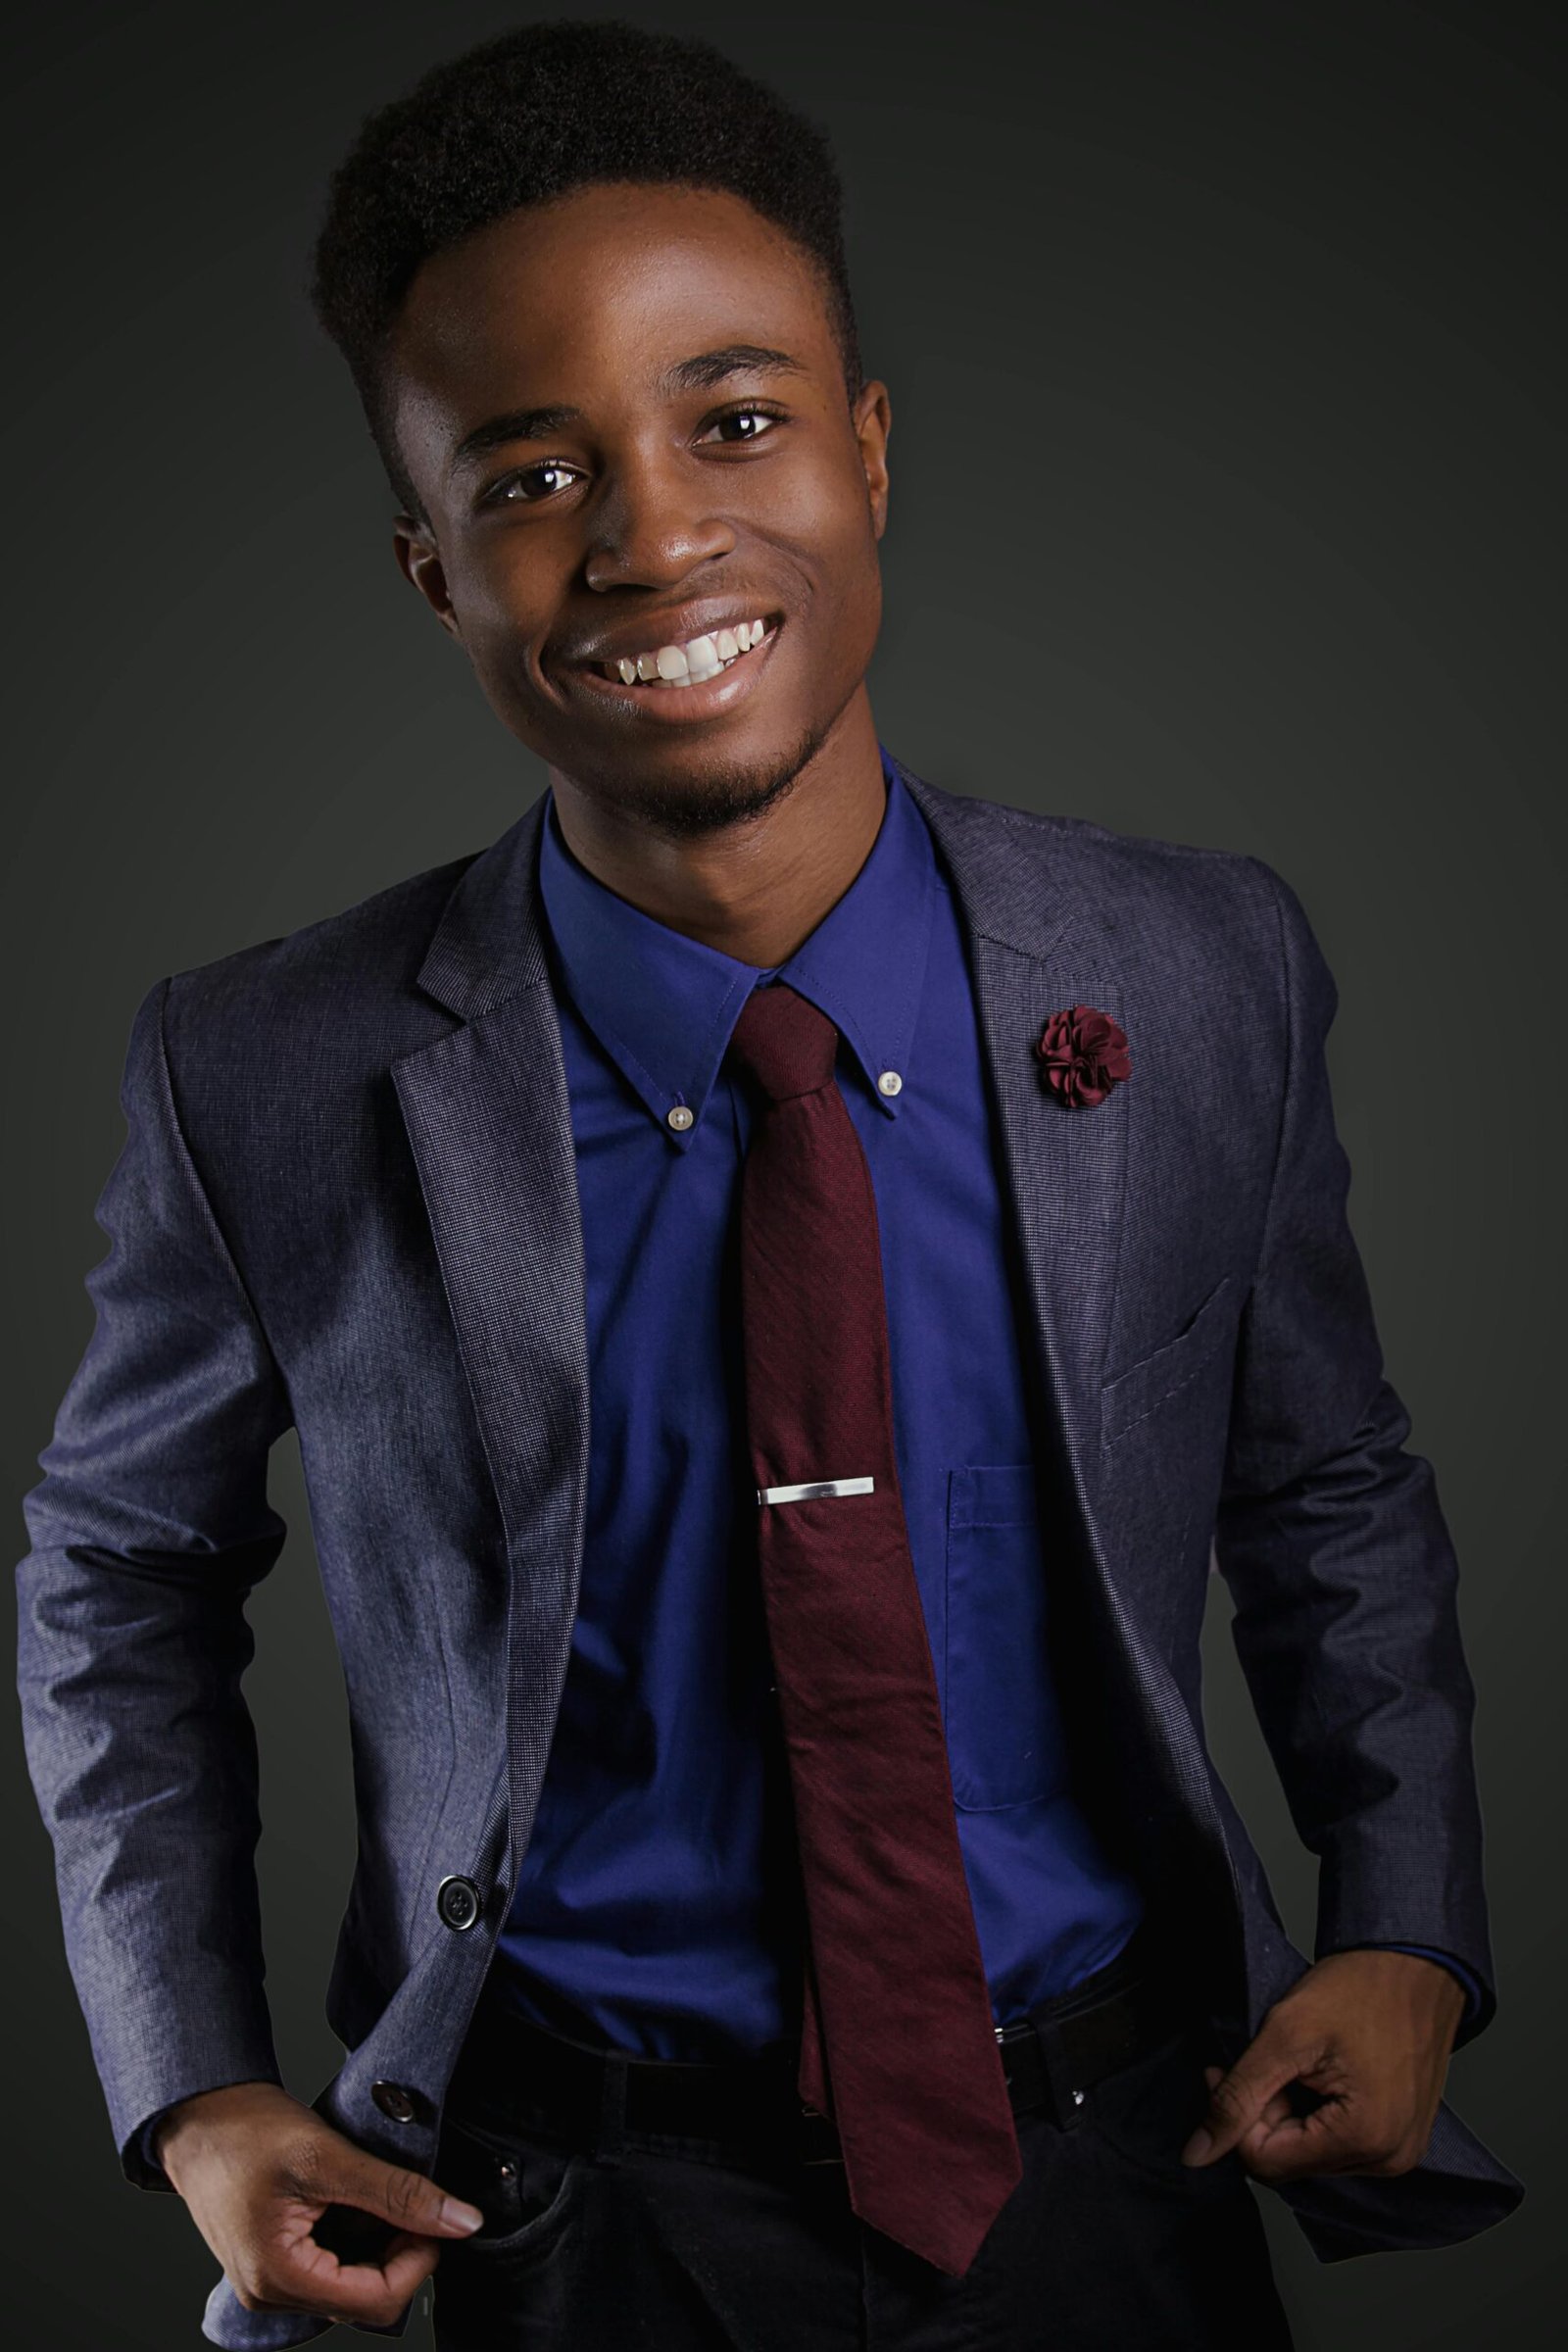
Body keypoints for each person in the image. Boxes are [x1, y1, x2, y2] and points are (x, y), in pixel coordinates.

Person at [15, 19, 1523, 2351]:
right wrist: (192, 2085)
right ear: (430, 572)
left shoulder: (1197, 965)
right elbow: (119, 1567)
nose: (648, 537)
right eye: (532, 475)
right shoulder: (267, 1070)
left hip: (1127, 2167)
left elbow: (1320, 1475)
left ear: (868, 449)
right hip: (559, 2223)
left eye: (731, 420)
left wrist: (1403, 1919)